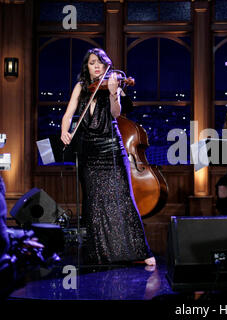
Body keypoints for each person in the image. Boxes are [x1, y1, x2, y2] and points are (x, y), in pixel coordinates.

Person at [60, 48, 155, 266]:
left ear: (106, 66)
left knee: (122, 199)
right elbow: (68, 114)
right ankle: (100, 253)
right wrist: (64, 131)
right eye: (92, 62)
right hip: (89, 151)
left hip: (111, 147)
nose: (96, 66)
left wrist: (113, 92)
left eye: (100, 63)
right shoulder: (82, 87)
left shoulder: (114, 84)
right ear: (87, 66)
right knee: (94, 204)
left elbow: (116, 113)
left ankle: (141, 251)